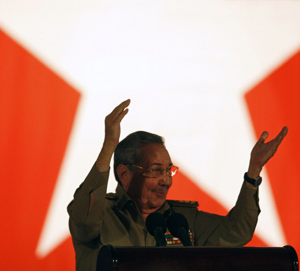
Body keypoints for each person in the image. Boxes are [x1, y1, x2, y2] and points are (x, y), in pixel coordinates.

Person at [67, 99, 288, 271]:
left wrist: (253, 173)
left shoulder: (180, 220)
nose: (166, 180)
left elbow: (235, 234)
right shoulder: (101, 214)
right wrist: (108, 147)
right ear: (124, 174)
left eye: (168, 170)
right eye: (155, 170)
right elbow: (84, 221)